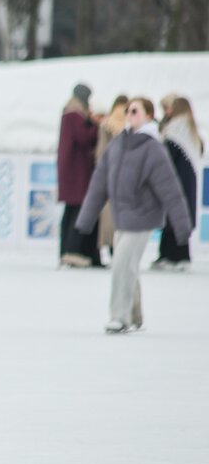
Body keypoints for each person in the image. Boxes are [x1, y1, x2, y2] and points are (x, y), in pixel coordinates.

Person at [75, 98, 191, 333]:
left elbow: (170, 189)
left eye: (135, 110)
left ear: (148, 115)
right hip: (121, 218)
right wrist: (86, 218)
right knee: (127, 266)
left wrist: (182, 225)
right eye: (128, 110)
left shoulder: (153, 148)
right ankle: (135, 316)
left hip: (143, 217)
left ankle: (120, 317)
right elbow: (99, 184)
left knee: (121, 264)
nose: (130, 114)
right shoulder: (118, 144)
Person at [153, 97, 202, 271]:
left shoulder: (175, 128)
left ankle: (173, 255)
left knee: (173, 216)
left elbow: (167, 154)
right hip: (187, 179)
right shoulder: (190, 127)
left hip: (176, 179)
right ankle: (174, 254)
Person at [58, 83, 104, 268]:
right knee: (80, 213)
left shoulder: (69, 113)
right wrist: (96, 125)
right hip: (78, 174)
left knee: (72, 212)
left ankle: (69, 251)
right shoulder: (75, 115)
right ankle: (74, 251)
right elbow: (84, 137)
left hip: (72, 174)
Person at [94, 95, 129, 257]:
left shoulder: (107, 124)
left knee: (109, 214)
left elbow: (101, 152)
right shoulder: (131, 124)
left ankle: (111, 247)